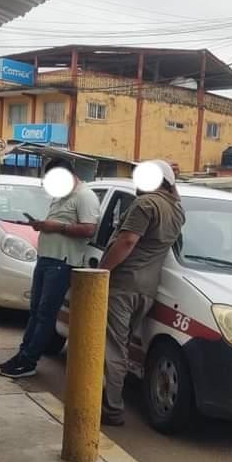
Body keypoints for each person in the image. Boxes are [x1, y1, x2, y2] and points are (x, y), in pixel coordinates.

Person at [98, 159, 185, 426]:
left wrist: (101, 272)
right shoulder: (177, 211)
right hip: (146, 290)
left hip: (122, 284)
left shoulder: (145, 205)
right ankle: (111, 397)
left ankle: (112, 408)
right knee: (122, 346)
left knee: (113, 348)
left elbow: (127, 241)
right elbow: (174, 196)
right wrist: (171, 179)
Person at [0, 158, 100, 379]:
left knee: (45, 314)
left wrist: (57, 227)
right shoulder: (61, 197)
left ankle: (29, 360)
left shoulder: (85, 196)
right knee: (34, 311)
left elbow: (89, 229)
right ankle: (22, 355)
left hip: (62, 263)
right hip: (46, 259)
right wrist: (42, 226)